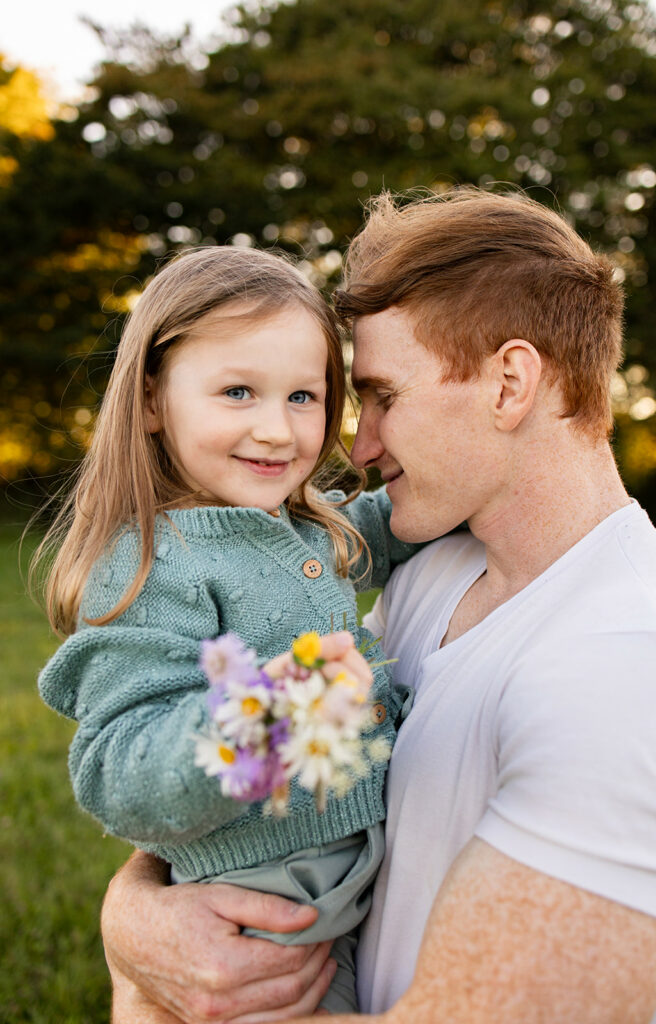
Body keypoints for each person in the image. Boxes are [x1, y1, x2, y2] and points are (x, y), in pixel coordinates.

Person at [101, 188, 656, 1024]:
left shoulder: (634, 665)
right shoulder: (435, 566)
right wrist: (136, 914)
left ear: (509, 383)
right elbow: (265, 781)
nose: (356, 446)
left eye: (382, 397)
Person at [36, 245, 421, 1015]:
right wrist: (262, 717)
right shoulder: (148, 567)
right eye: (238, 392)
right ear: (151, 400)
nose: (277, 430)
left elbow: (387, 523)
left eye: (303, 398)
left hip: (347, 884)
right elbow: (120, 774)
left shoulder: (302, 526)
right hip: (259, 916)